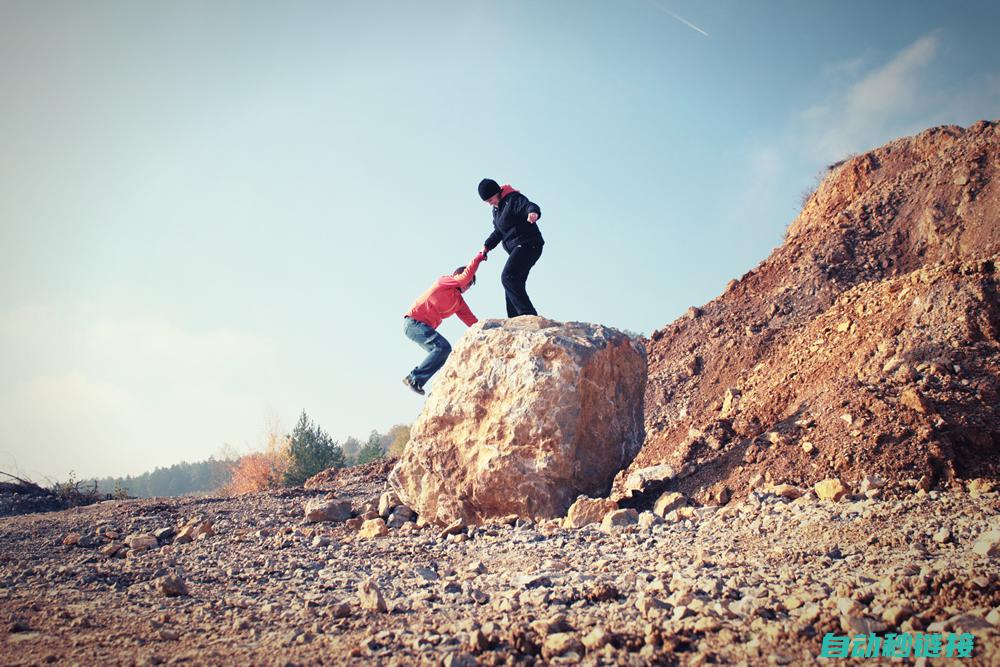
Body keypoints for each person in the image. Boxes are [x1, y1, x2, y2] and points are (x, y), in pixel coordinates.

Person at [401, 251, 486, 395]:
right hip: (413, 322)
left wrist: (490, 332)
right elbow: (464, 276)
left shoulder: (458, 302)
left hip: (423, 327)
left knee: (442, 355)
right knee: (443, 347)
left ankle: (427, 385)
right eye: (468, 282)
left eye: (470, 284)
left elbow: (472, 321)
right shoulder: (444, 282)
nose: (468, 286)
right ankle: (414, 378)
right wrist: (479, 257)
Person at [478, 178, 544, 317]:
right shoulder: (496, 211)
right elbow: (498, 231)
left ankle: (528, 315)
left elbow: (529, 206)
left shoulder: (512, 199)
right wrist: (487, 246)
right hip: (518, 247)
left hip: (529, 243)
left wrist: (533, 213)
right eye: (487, 202)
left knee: (508, 277)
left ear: (497, 192)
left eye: (491, 199)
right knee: (513, 283)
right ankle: (514, 318)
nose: (490, 203)